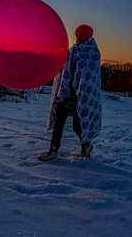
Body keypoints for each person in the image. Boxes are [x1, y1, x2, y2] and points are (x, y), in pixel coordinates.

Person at [39, 24, 102, 161]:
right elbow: (64, 67)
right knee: (59, 122)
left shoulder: (92, 53)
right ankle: (53, 151)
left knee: (77, 126)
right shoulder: (73, 50)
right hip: (66, 94)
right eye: (77, 35)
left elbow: (89, 77)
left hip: (81, 96)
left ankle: (86, 146)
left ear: (88, 36)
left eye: (81, 35)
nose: (78, 38)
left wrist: (81, 90)